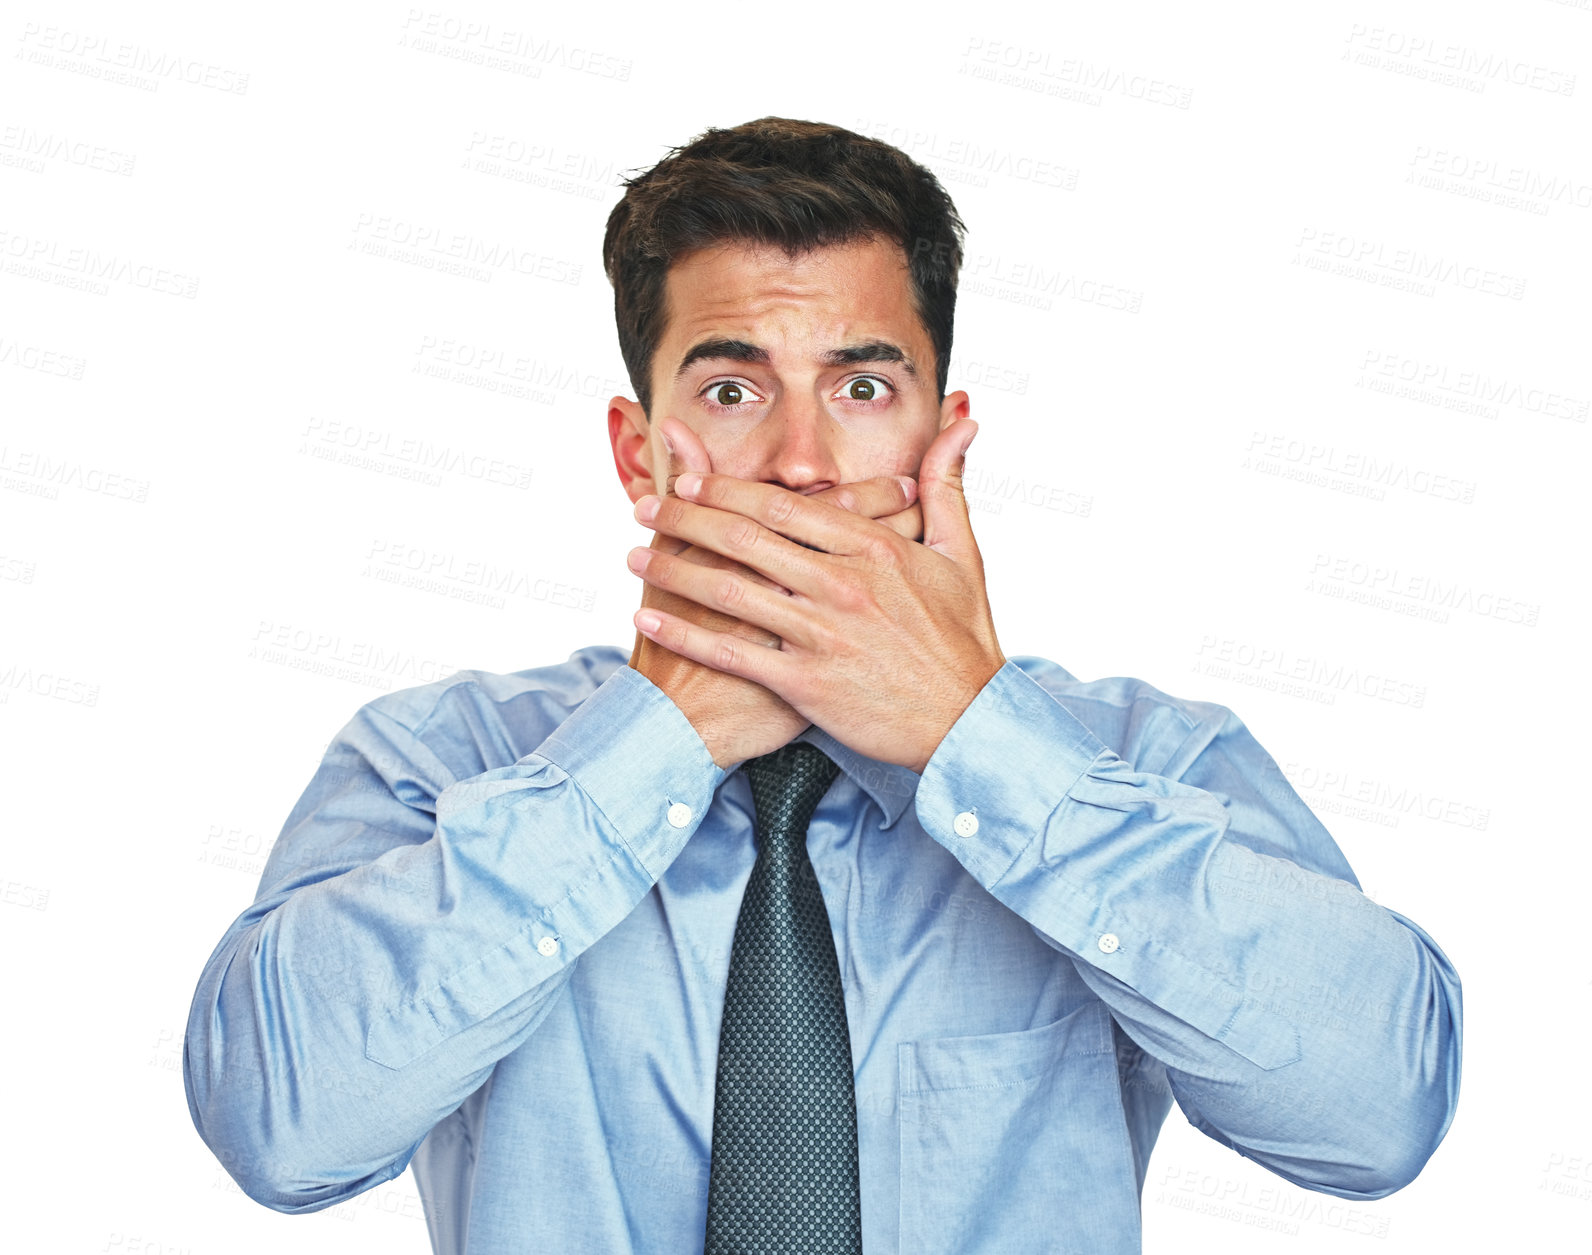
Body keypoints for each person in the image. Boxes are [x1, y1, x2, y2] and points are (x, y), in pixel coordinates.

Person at [183, 117, 1462, 1254]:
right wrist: (656, 742)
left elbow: (1376, 1116)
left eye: (860, 386)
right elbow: (276, 1132)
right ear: (638, 454)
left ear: (939, 438)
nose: (799, 463)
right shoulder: (439, 757)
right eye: (732, 388)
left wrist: (977, 739)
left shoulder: (1140, 759)